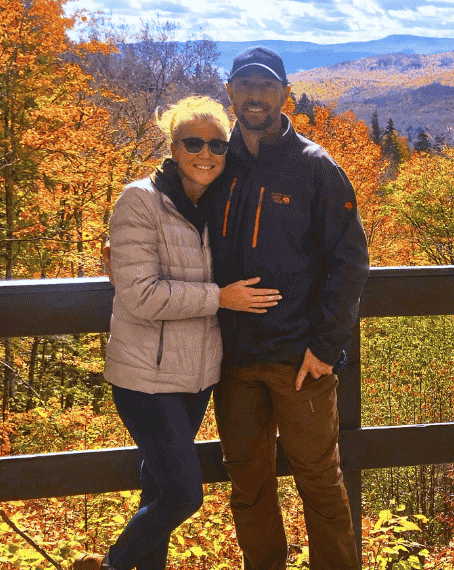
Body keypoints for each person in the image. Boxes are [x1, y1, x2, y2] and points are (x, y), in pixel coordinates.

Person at [75, 96, 282, 570]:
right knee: (185, 495)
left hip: (196, 376)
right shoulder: (139, 200)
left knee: (160, 489)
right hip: (146, 379)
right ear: (172, 147)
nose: (206, 153)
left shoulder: (219, 200)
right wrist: (219, 298)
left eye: (217, 144)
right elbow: (141, 296)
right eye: (193, 142)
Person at [203, 47, 369, 570]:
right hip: (233, 361)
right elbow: (166, 204)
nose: (255, 95)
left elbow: (351, 261)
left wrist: (325, 347)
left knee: (320, 484)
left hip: (300, 362)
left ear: (285, 95)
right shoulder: (214, 163)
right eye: (245, 85)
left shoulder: (315, 168)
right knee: (248, 488)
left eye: (266, 86)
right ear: (229, 92)